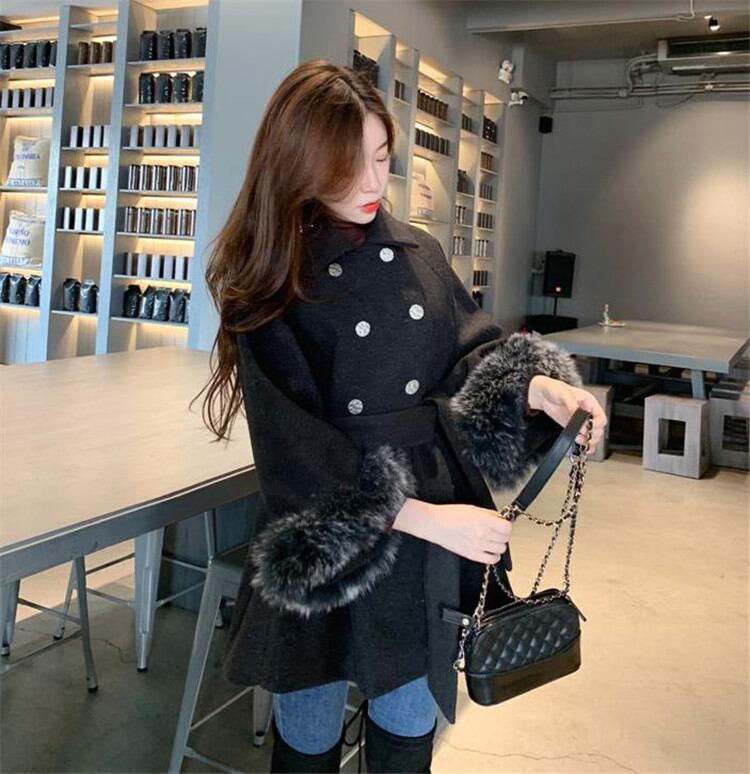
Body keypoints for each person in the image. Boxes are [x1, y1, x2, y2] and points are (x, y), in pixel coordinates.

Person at [195, 60, 606, 773]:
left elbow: (468, 351)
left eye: (382, 159)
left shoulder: (419, 252)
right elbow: (293, 449)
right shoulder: (269, 276)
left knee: (411, 714)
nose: (369, 184)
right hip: (329, 526)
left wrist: (541, 388)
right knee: (309, 720)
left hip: (427, 517)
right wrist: (427, 520)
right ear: (297, 164)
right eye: (344, 168)